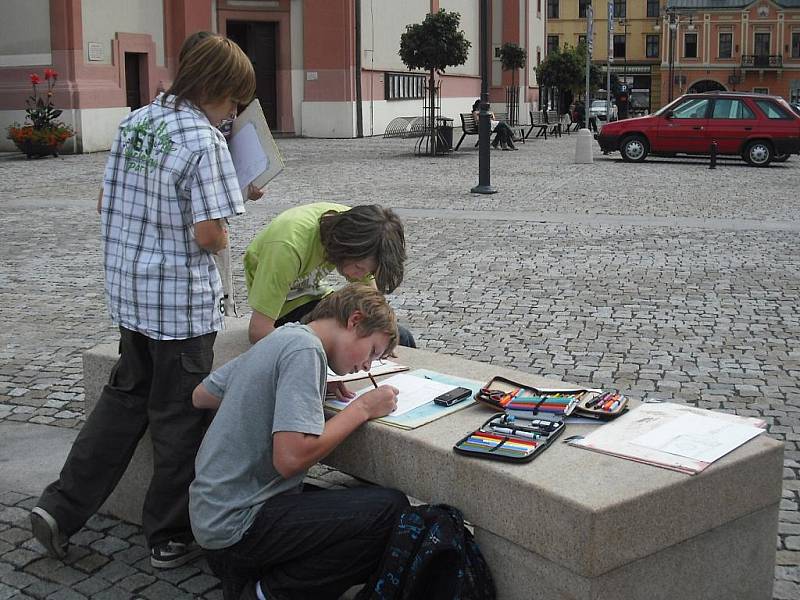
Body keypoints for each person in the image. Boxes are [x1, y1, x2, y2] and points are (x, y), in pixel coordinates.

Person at [31, 35, 256, 569]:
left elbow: (108, 200)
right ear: (214, 89)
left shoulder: (137, 121)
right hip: (180, 306)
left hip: (132, 295)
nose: (235, 113)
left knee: (122, 403)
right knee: (179, 420)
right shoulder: (205, 141)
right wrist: (227, 217)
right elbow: (208, 235)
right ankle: (168, 535)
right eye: (234, 101)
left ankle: (60, 508)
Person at [189, 283, 410, 600]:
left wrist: (297, 391)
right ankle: (268, 593)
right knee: (390, 510)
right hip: (238, 527)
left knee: (356, 499)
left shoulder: (283, 337)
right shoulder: (305, 351)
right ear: (354, 321)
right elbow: (290, 459)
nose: (367, 366)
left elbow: (203, 394)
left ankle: (262, 579)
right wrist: (362, 408)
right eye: (373, 352)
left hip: (211, 517)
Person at [244, 202, 416, 352]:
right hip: (283, 311)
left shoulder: (356, 227)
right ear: (344, 248)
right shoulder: (287, 247)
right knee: (348, 341)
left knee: (401, 337)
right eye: (359, 267)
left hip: (316, 297)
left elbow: (372, 300)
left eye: (368, 272)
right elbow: (259, 332)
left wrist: (383, 334)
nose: (360, 276)